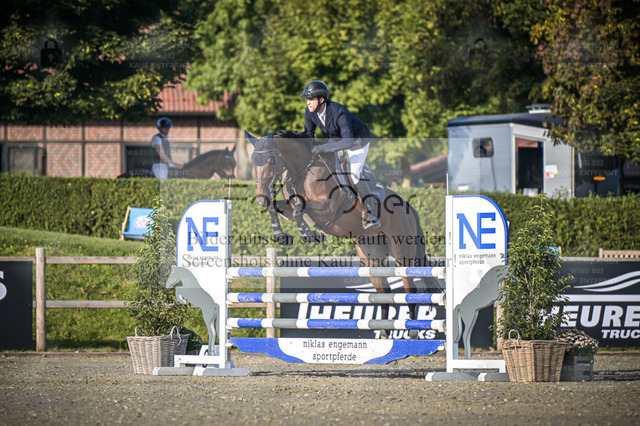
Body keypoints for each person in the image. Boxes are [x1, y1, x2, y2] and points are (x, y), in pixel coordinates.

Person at [300, 80, 380, 229]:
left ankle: (371, 214)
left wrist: (323, 147)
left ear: (321, 100)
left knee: (354, 174)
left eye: (310, 99)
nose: (307, 102)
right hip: (337, 140)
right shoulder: (310, 112)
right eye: (307, 99)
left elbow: (348, 142)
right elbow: (308, 135)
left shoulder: (339, 111)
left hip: (357, 142)